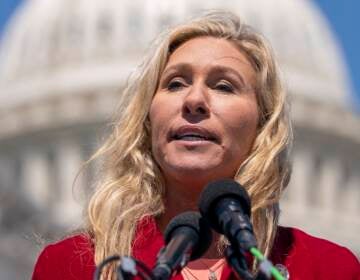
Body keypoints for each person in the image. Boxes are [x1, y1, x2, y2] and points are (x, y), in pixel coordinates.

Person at [32, 11, 360, 280]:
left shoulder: (326, 269)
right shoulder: (72, 267)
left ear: (263, 128)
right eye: (175, 83)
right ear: (148, 121)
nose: (194, 100)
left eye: (223, 86)